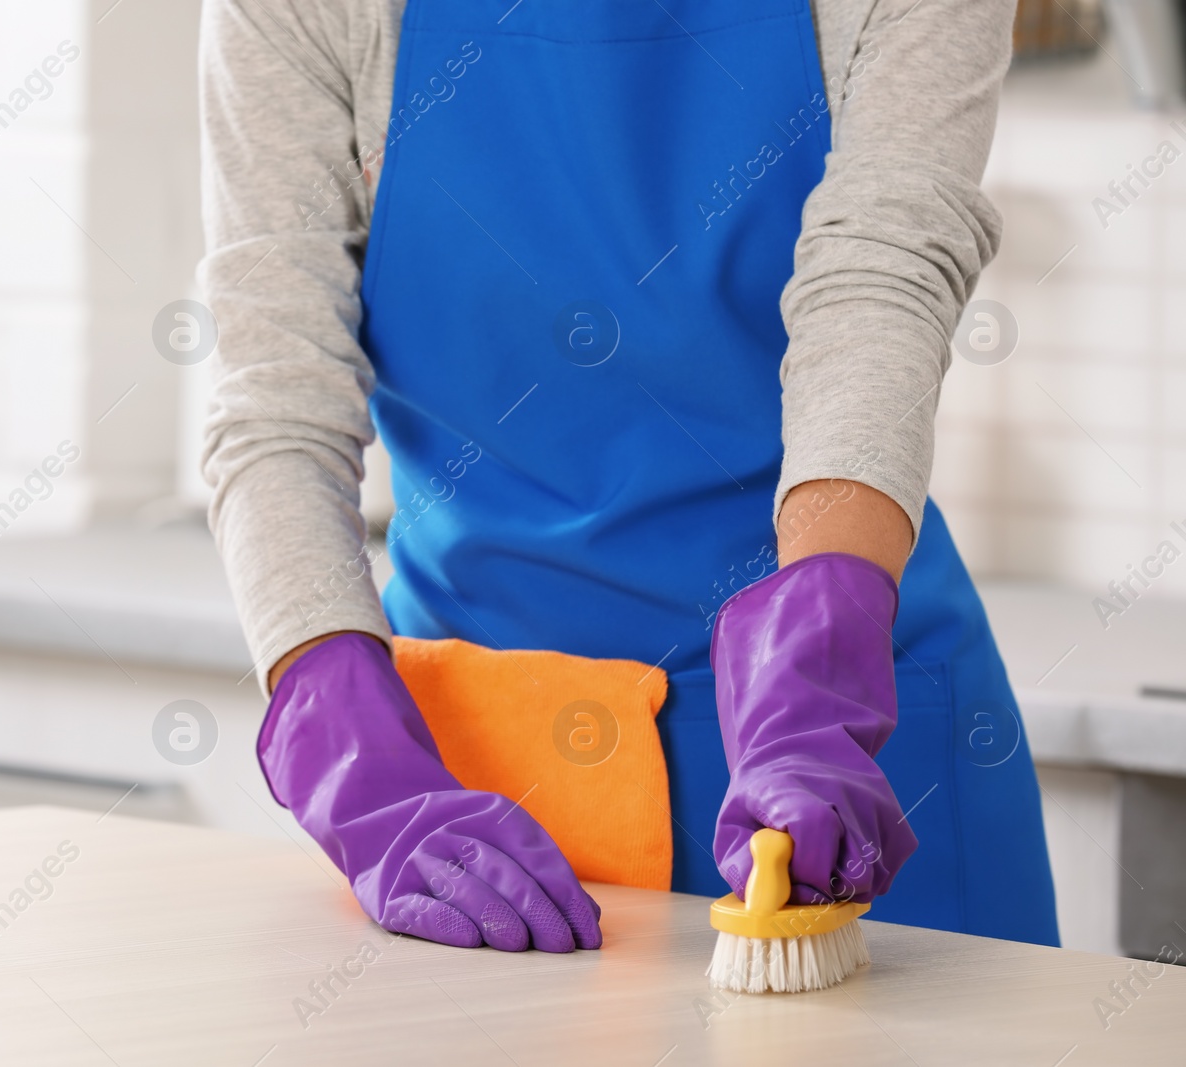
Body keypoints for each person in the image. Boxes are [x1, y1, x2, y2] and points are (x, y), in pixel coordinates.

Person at [198, 0, 1059, 952]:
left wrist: (819, 638)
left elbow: (880, 280)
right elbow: (277, 406)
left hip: (847, 730)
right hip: (481, 788)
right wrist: (348, 743)